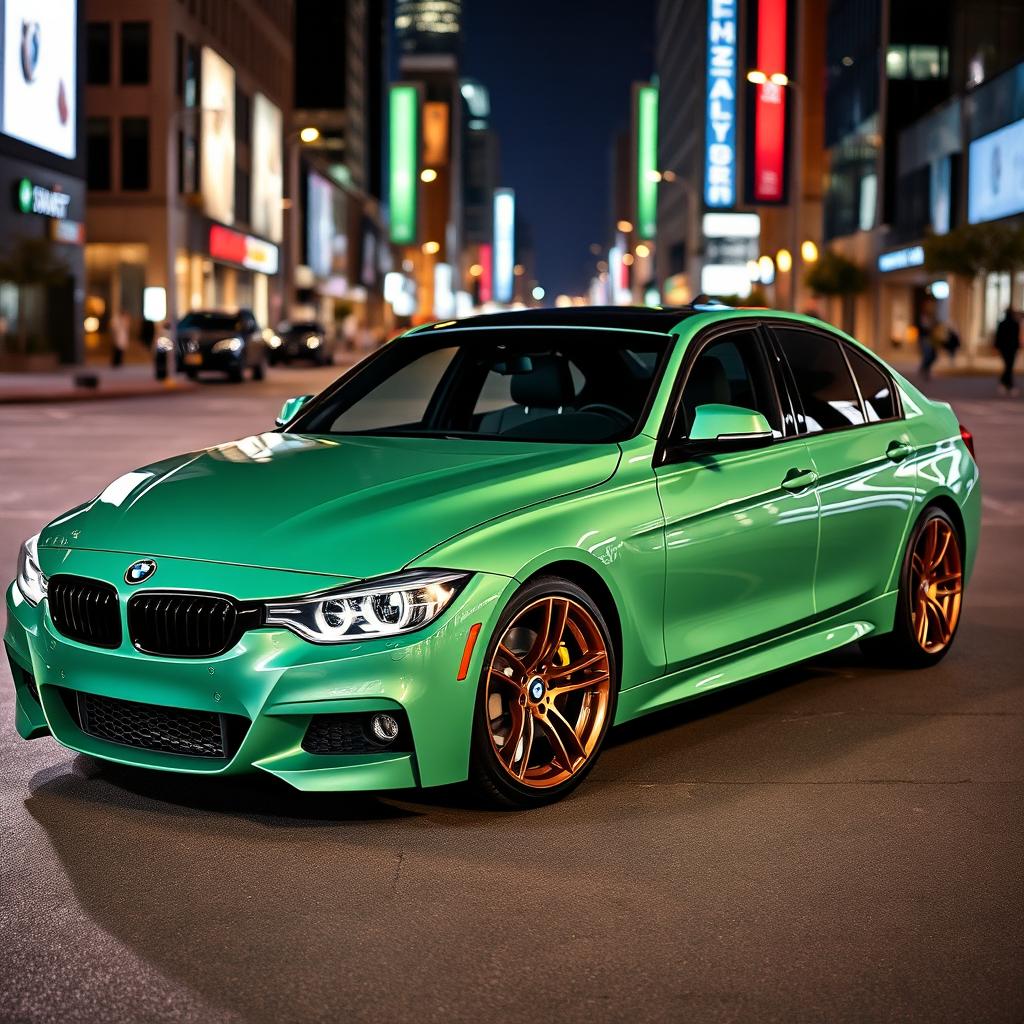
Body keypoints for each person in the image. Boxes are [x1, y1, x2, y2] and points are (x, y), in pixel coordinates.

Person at [995, 307, 1020, 396]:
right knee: (1009, 366)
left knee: (1008, 366)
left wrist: (997, 347)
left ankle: (1006, 384)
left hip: (1004, 348)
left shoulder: (1002, 323)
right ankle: (1007, 385)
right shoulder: (1015, 324)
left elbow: (998, 337)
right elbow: (1016, 338)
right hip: (1011, 348)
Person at [916, 299, 939, 379]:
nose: (931, 307)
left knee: (933, 355)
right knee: (928, 355)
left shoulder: (933, 316)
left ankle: (925, 370)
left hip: (931, 339)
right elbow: (924, 327)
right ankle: (925, 371)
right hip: (925, 338)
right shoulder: (924, 316)